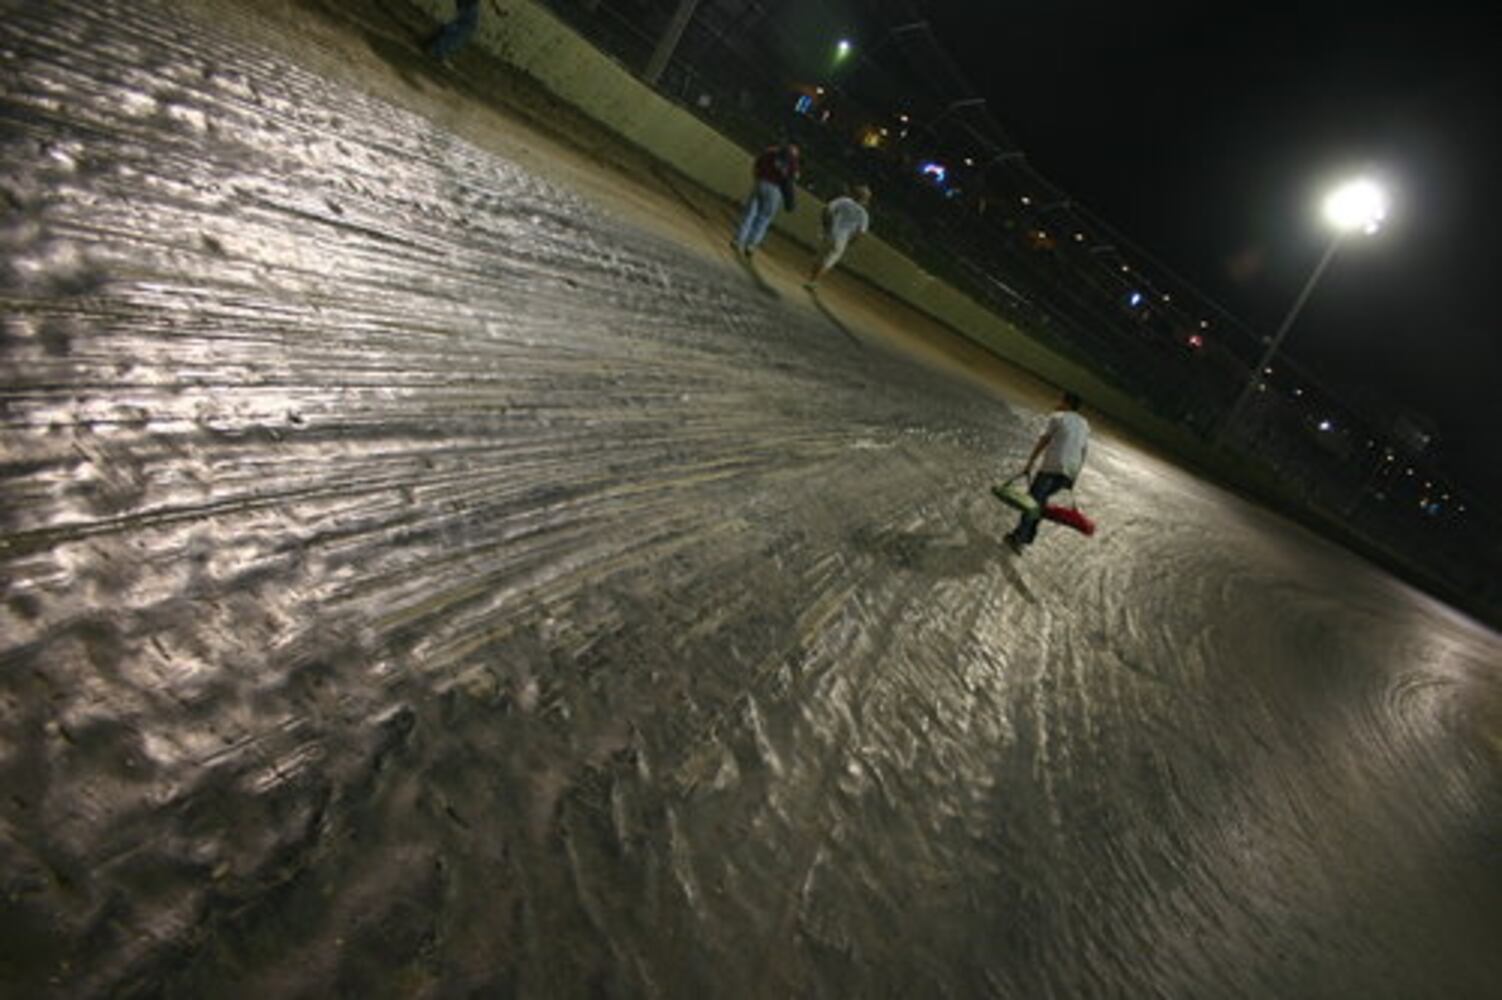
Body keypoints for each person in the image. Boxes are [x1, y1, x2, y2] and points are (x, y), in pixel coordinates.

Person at [1005, 391, 1090, 555]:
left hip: (1051, 468)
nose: (1057, 402)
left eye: (1060, 400)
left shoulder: (1058, 417)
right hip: (1069, 472)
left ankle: (1018, 538)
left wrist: (1030, 463)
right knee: (1040, 506)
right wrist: (1074, 478)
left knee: (1033, 503)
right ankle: (1025, 538)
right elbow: (1083, 452)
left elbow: (1044, 440)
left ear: (1066, 403)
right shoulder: (1085, 424)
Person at [731, 142, 800, 258]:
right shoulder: (792, 160)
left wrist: (758, 177)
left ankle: (737, 240)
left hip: (760, 183)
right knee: (764, 218)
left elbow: (756, 164)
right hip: (774, 189)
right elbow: (794, 178)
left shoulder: (770, 151)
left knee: (749, 214)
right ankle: (751, 245)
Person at [804, 184, 871, 288]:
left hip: (830, 233)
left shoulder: (843, 201)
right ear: (865, 199)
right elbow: (861, 233)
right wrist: (851, 242)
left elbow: (827, 209)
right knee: (829, 261)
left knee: (820, 257)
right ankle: (813, 281)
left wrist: (826, 225)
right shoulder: (864, 214)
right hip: (842, 239)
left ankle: (811, 279)